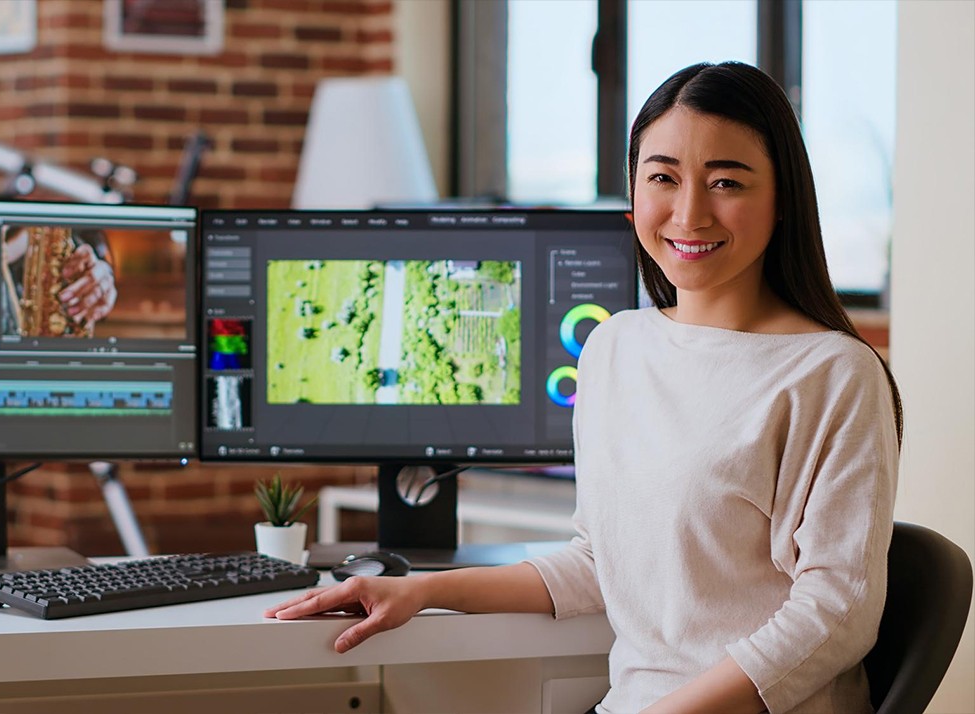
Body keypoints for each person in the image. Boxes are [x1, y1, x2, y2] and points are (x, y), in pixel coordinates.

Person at [265, 61, 902, 714]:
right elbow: (602, 562)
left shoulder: (831, 374)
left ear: (783, 198)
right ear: (633, 193)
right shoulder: (613, 347)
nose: (689, 212)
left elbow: (837, 611)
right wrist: (424, 592)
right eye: (663, 178)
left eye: (725, 182)